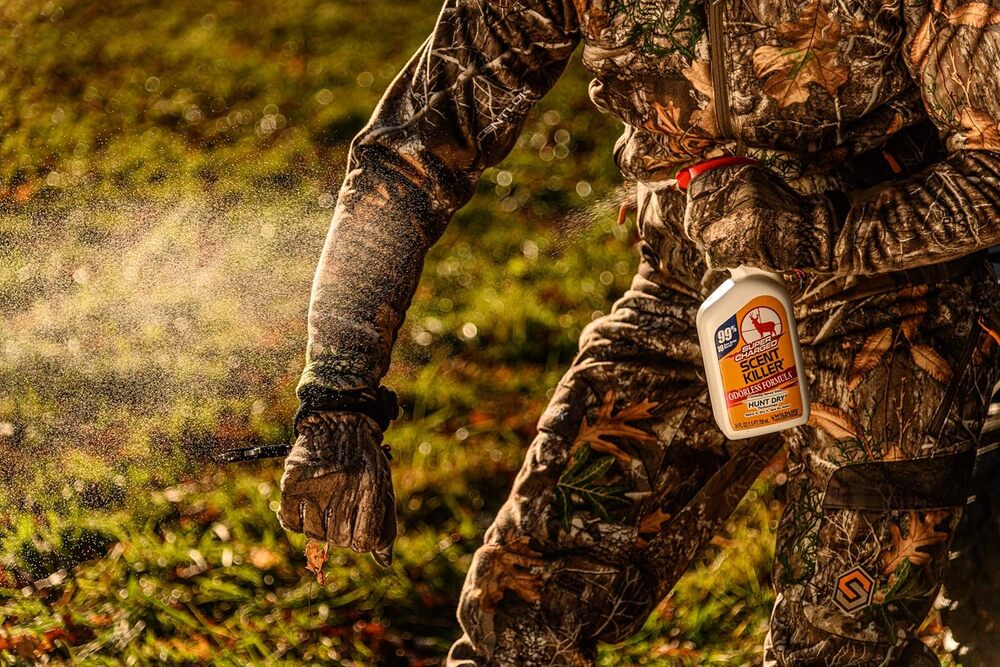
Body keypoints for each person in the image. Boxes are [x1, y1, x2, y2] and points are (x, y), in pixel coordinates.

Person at [274, 0, 1000, 664]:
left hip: (901, 293)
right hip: (691, 287)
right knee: (518, 616)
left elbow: (994, 165)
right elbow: (412, 154)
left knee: (843, 648)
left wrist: (828, 234)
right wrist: (338, 393)